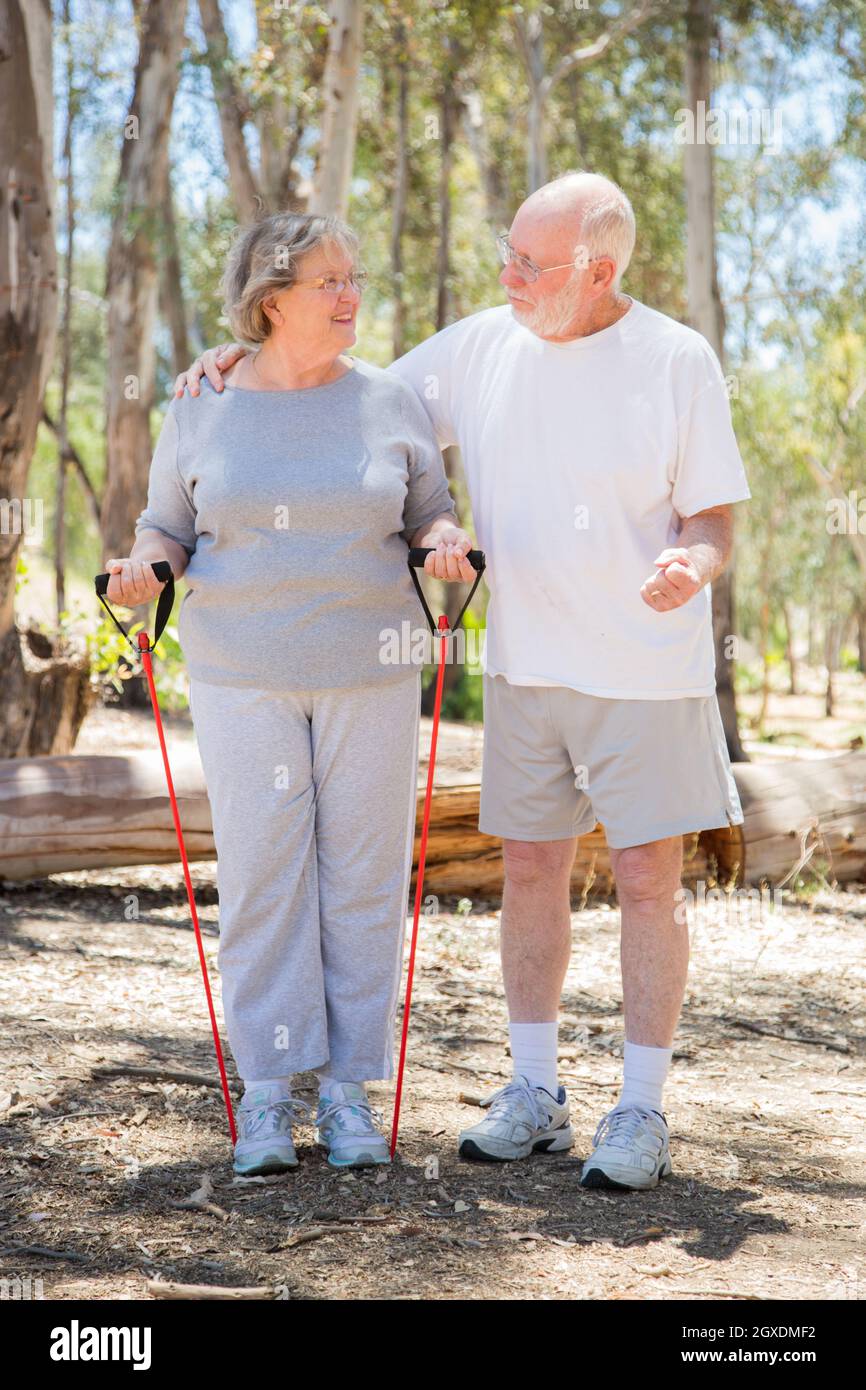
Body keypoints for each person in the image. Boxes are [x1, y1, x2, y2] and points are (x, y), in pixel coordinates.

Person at [175, 170, 752, 1192]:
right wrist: (237, 356)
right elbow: (336, 397)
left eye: (528, 263)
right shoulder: (482, 343)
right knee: (528, 873)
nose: (507, 274)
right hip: (525, 670)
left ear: (596, 269)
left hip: (645, 677)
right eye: (507, 251)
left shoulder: (674, 358)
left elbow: (712, 520)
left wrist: (690, 567)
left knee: (647, 886)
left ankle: (640, 1107)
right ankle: (533, 1093)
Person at [105, 210, 473, 1176]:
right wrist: (145, 566)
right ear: (272, 302)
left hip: (371, 672)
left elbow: (431, 512)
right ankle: (267, 1096)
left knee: (360, 880)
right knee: (267, 879)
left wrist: (441, 545)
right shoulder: (203, 402)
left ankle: (349, 1094)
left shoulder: (390, 401)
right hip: (241, 675)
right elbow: (165, 526)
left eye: (355, 276)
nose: (352, 295)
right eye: (330, 282)